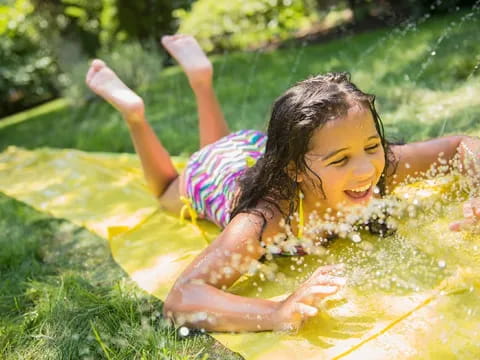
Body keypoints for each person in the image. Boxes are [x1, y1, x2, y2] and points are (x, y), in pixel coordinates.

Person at [86, 34, 480, 332]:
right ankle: (136, 114)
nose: (365, 170)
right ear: (293, 169)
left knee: (220, 145)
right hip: (214, 174)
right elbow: (181, 299)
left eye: (372, 146)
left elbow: (464, 144)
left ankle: (202, 80)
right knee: (166, 190)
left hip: (251, 150)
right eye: (340, 159)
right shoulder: (268, 218)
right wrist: (275, 311)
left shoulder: (377, 165)